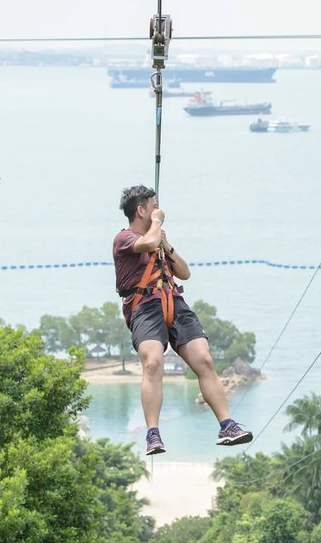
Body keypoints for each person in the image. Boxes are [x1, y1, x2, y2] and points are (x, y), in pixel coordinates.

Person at [113, 185, 252, 454]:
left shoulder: (159, 240)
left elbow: (185, 273)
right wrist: (156, 225)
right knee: (153, 362)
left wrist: (168, 245)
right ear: (141, 210)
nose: (158, 210)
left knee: (204, 359)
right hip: (145, 306)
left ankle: (227, 425)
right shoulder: (124, 239)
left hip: (173, 300)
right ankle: (153, 433)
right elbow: (148, 243)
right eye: (153, 206)